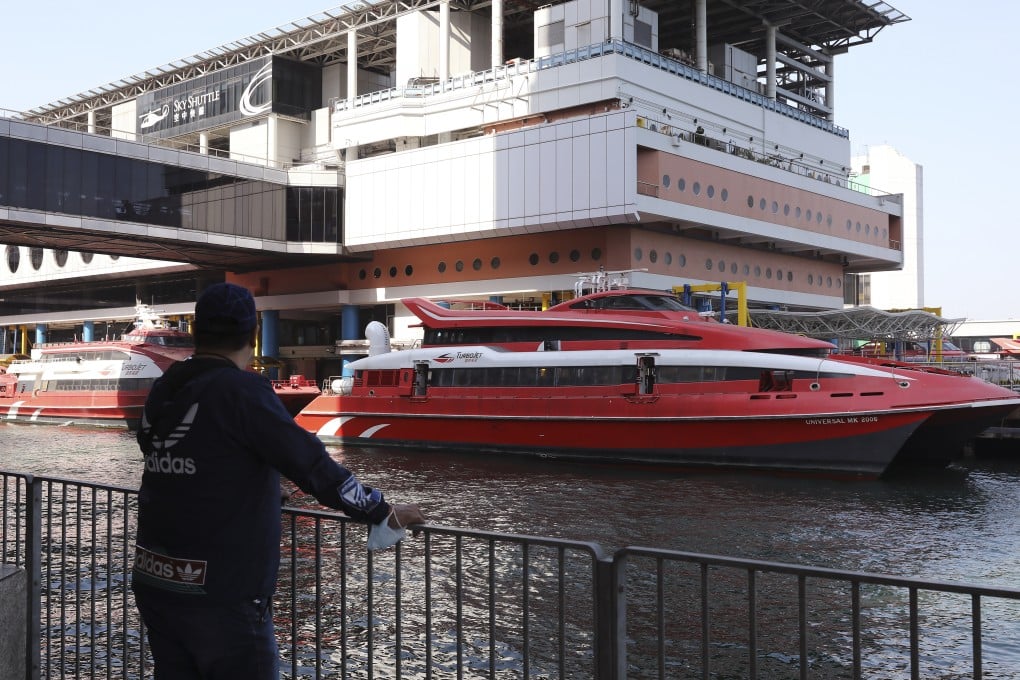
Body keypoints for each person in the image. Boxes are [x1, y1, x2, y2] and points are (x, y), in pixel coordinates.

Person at [131, 282, 426, 679]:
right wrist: (380, 511)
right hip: (221, 591)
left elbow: (182, 455)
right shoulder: (241, 391)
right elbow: (311, 464)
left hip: (156, 579)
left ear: (196, 332)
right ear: (253, 335)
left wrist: (252, 484)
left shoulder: (166, 388)